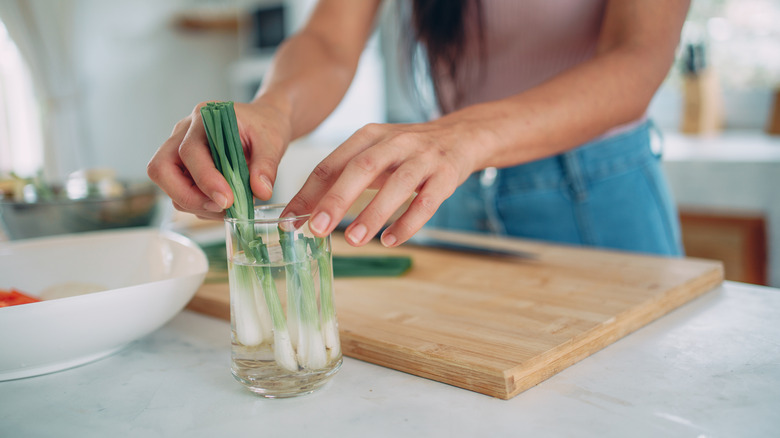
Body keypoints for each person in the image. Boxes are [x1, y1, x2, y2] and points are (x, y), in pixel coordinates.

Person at [148, 0, 690, 256]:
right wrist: (274, 108)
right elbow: (331, 40)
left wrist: (464, 135)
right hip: (451, 191)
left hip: (596, 192)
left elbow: (638, 59)